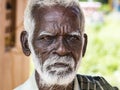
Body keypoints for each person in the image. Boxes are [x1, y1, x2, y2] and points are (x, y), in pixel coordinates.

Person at [15, 0, 118, 90]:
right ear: (26, 44)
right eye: (47, 38)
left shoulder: (101, 88)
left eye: (72, 38)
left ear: (84, 45)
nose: (62, 49)